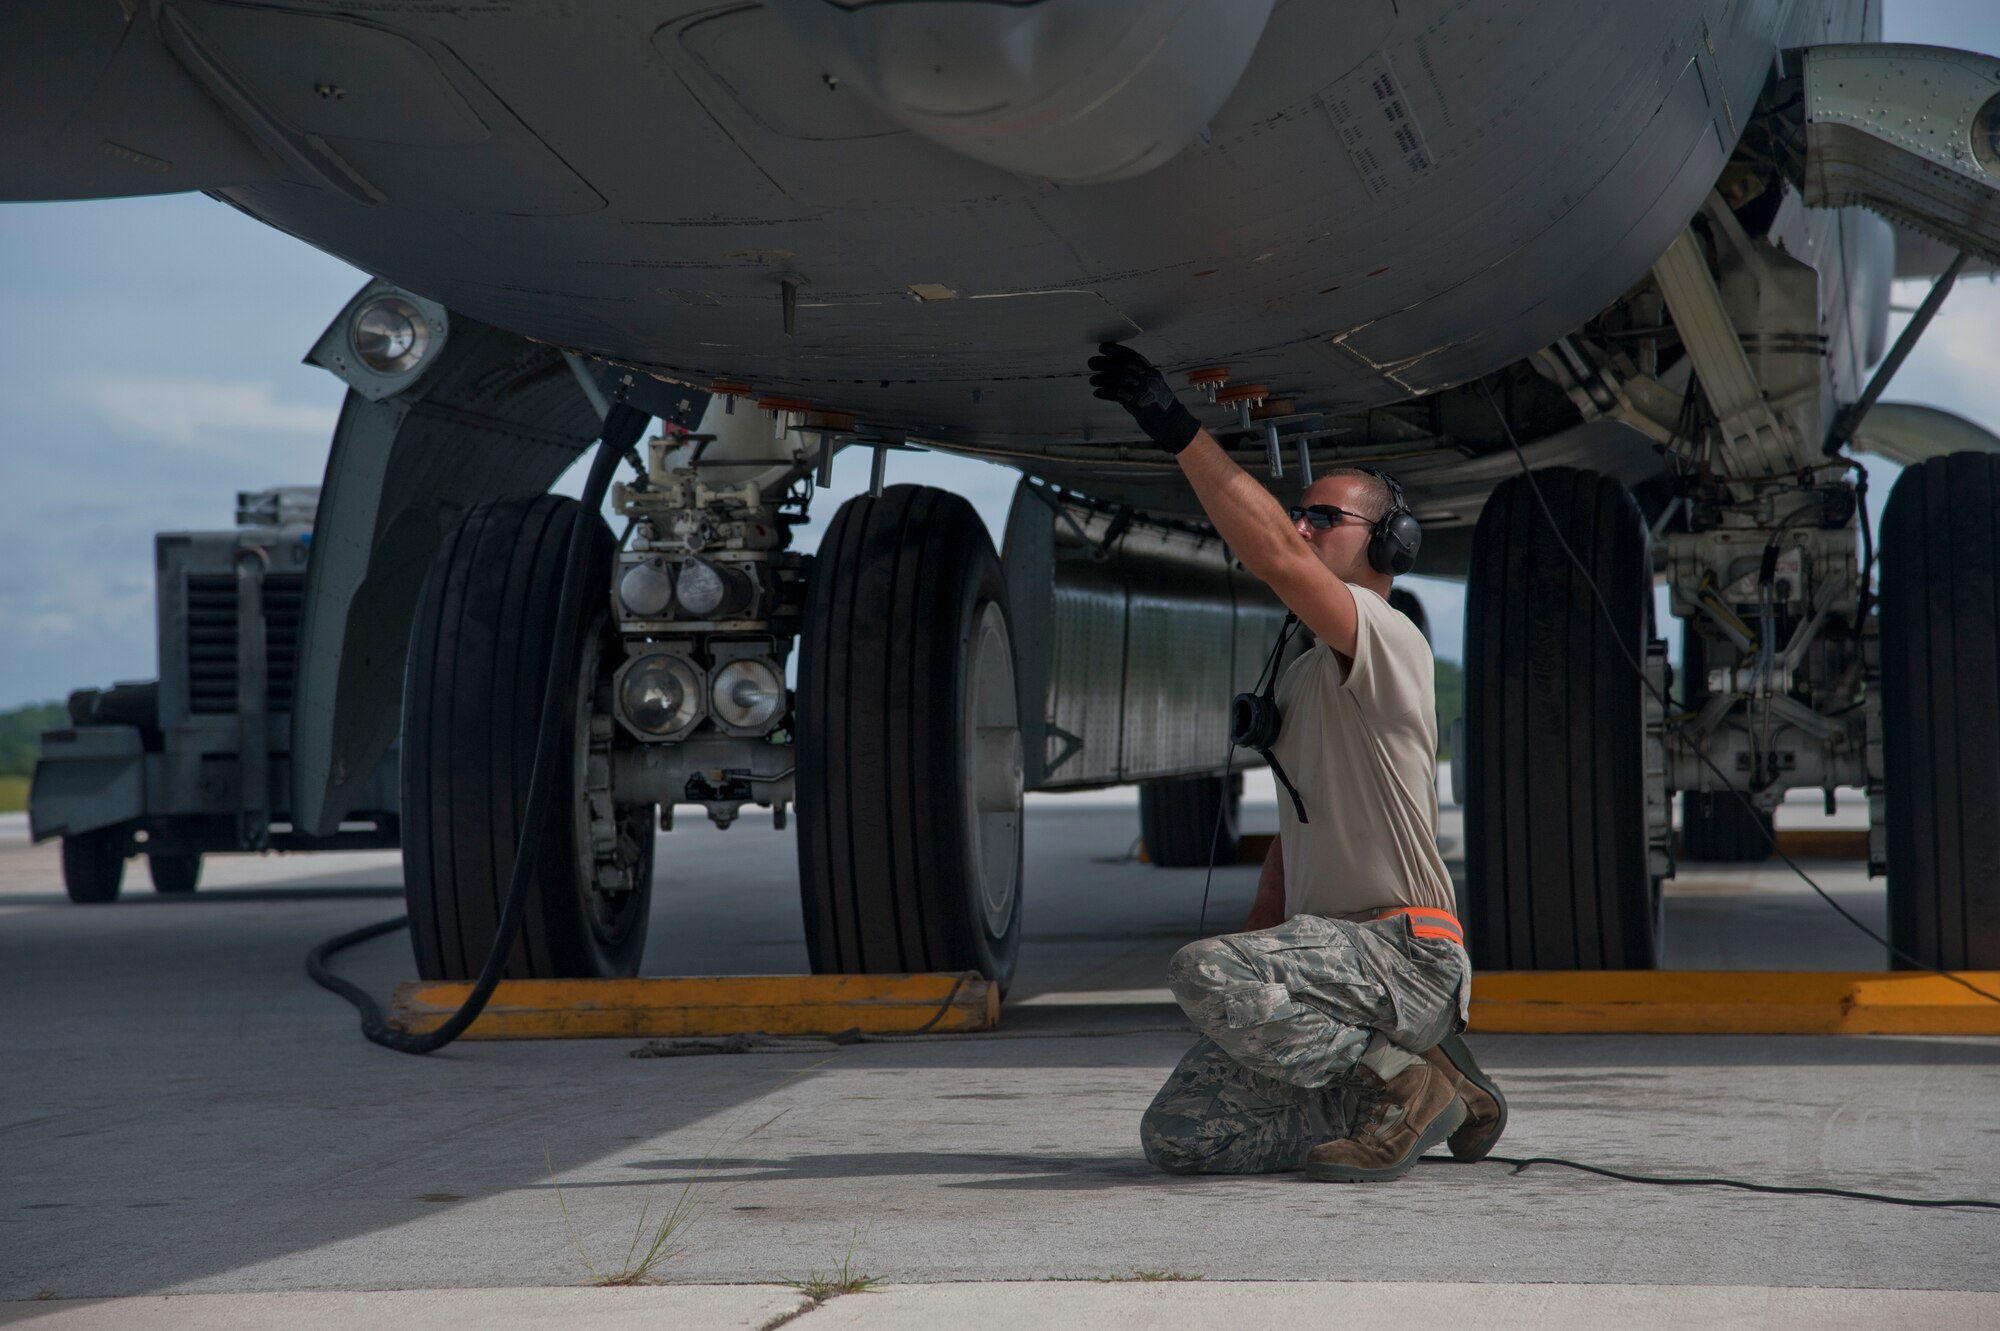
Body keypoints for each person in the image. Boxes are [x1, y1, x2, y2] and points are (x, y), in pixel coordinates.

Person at [1086, 342, 1507, 1182]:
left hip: (1403, 955)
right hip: (1329, 970)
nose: (1304, 526)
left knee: (1197, 967)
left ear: (1389, 545)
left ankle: (1403, 1081)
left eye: (1326, 518)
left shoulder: (1385, 638)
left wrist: (1175, 427)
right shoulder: (1308, 667)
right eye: (1302, 513)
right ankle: (1420, 1082)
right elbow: (1295, 828)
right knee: (1177, 1136)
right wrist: (1254, 980)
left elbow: (1274, 553)